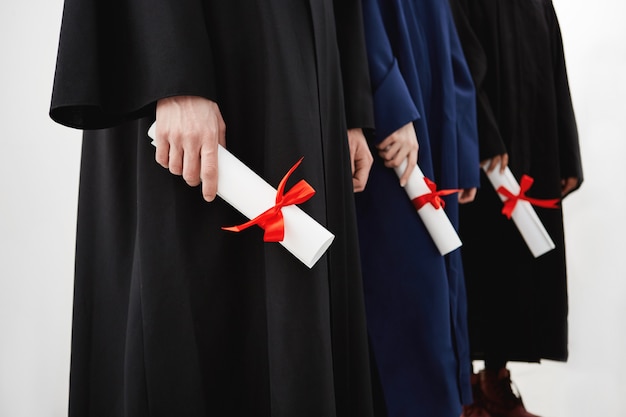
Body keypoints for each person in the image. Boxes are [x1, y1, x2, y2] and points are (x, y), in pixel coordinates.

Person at [49, 1, 378, 416]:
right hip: (208, 47)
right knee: (193, 315)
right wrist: (172, 71)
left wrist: (350, 105)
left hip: (306, 57)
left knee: (295, 317)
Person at [449, 0, 584, 416]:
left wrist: (568, 155)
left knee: (521, 271)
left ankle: (496, 379)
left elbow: (555, 69)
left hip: (535, 149)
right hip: (487, 158)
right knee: (483, 263)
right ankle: (468, 388)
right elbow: (461, 66)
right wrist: (483, 138)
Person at [354, 1, 481, 416]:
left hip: (431, 117)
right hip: (395, 118)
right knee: (407, 286)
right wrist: (387, 103)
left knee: (442, 291)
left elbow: (452, 52)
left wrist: (461, 151)